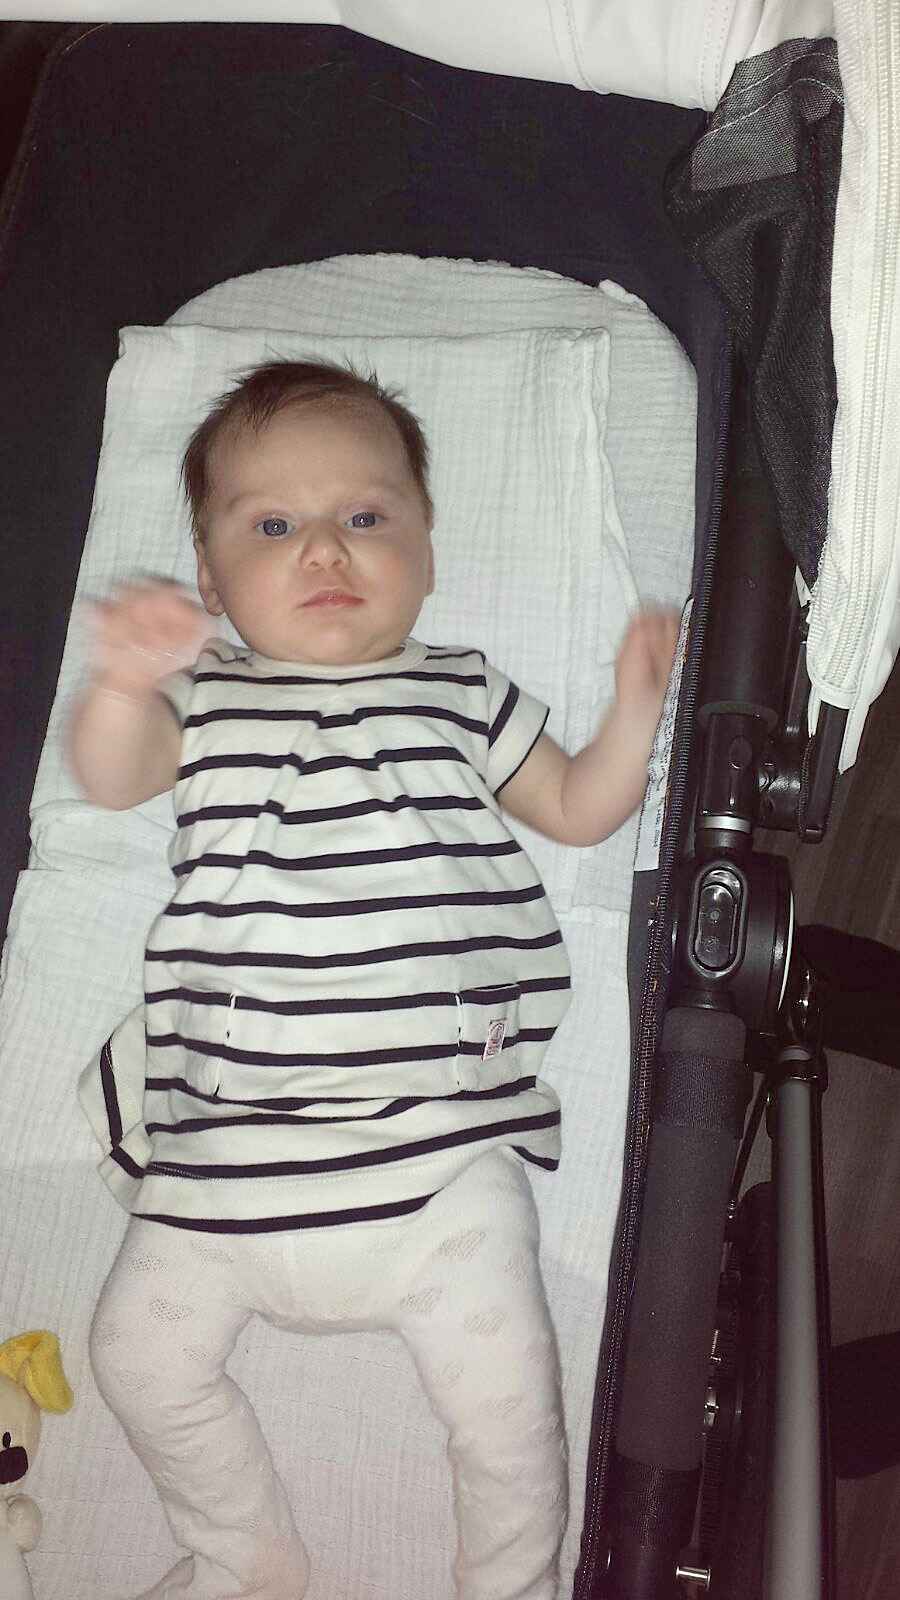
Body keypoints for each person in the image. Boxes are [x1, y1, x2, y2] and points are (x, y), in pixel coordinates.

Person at [69, 359, 679, 1600]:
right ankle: (248, 1556)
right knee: (133, 1354)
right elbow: (113, 777)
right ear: (209, 581)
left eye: (364, 514)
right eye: (271, 526)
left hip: (439, 1156)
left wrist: (634, 714)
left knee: (509, 1399)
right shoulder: (207, 694)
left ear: (428, 550)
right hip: (228, 1159)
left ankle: (510, 1583)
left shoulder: (460, 690)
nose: (324, 550)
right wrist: (123, 680)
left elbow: (573, 806)